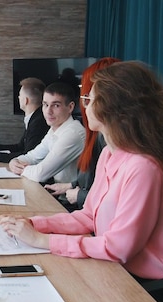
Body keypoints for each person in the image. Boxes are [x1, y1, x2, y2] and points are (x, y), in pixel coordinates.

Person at [0, 61, 163, 280]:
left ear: (114, 108)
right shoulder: (109, 154)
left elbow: (118, 248)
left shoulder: (144, 168)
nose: (84, 106)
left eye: (89, 99)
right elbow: (89, 216)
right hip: (123, 274)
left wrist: (42, 240)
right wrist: (35, 223)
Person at [44, 58, 121, 211]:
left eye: (88, 98)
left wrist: (79, 195)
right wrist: (70, 185)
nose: (85, 105)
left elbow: (114, 203)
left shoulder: (116, 148)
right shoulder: (106, 149)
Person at [8, 81, 85, 184]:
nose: (48, 111)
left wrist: (20, 169)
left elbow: (40, 174)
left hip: (67, 198)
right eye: (45, 104)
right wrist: (14, 162)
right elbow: (32, 157)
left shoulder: (73, 133)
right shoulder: (55, 129)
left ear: (70, 107)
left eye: (56, 105)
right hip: (57, 193)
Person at [0, 77, 49, 162]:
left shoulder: (39, 122)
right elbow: (20, 146)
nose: (18, 98)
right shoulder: (35, 117)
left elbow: (27, 155)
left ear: (26, 100)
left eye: (20, 96)